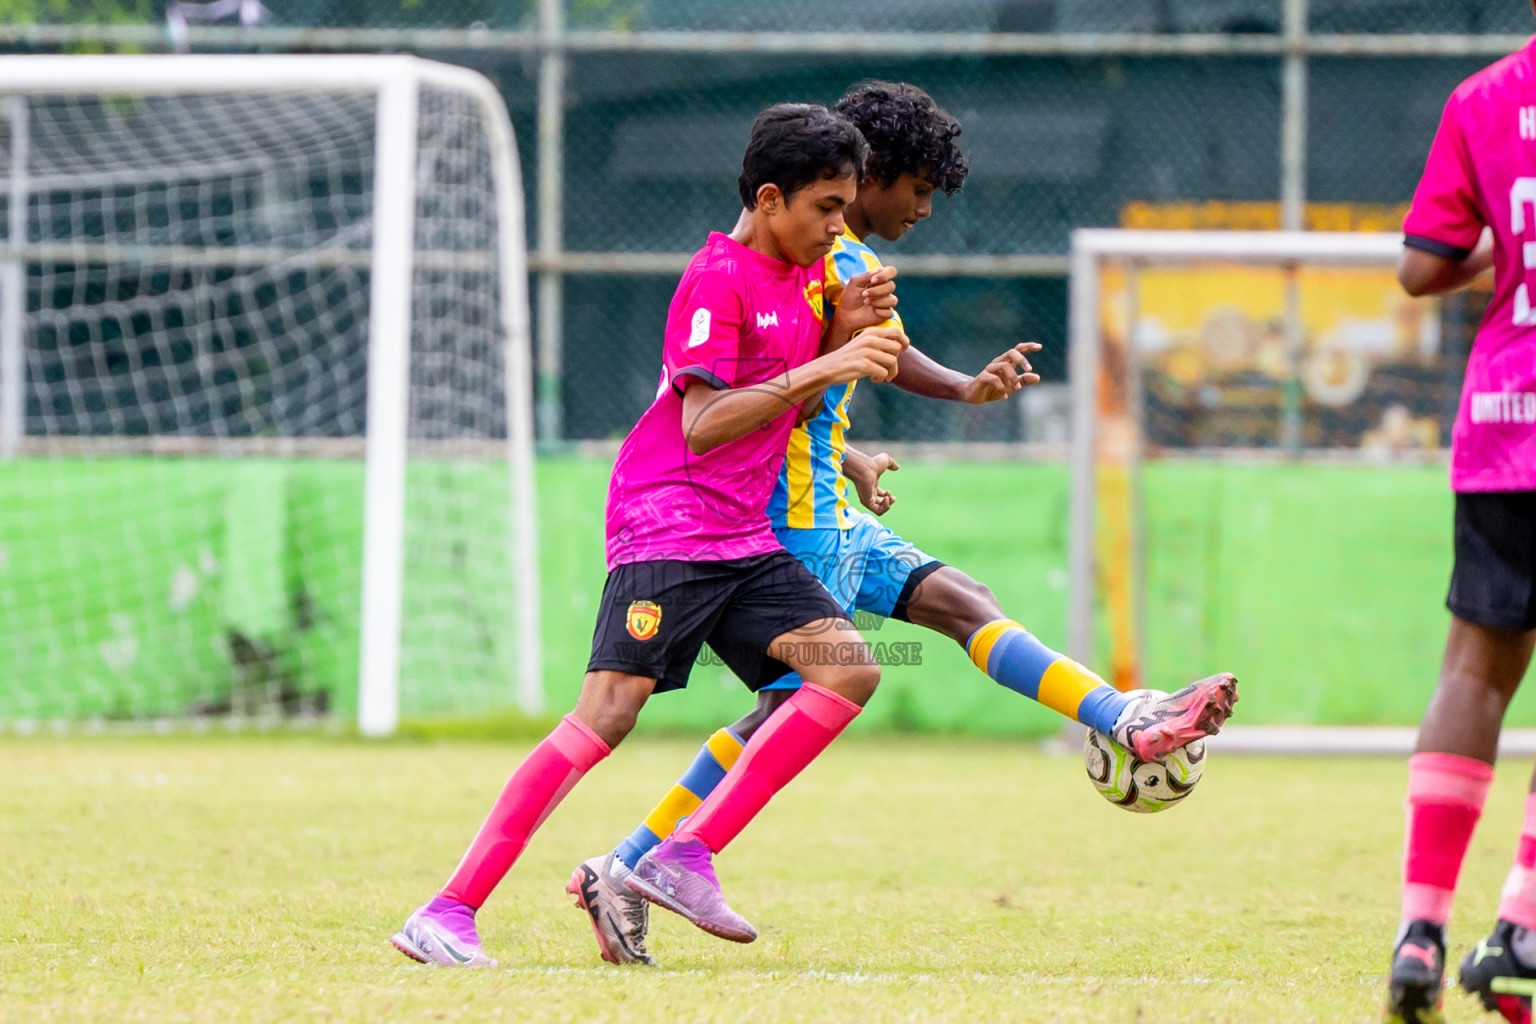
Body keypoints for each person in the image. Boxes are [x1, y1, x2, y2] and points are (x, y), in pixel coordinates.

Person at [569, 81, 1239, 968]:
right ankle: (629, 864)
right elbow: (787, 377)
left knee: (960, 601)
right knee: (787, 706)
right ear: (868, 174)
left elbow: (827, 378)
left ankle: (1123, 717)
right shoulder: (818, 255)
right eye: (917, 187)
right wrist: (942, 390)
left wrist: (864, 446)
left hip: (827, 503)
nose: (924, 208)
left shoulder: (833, 254)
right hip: (788, 519)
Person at [391, 101, 911, 967]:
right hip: (668, 521)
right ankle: (447, 910)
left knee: (848, 668)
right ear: (772, 197)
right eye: (825, 206)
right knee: (608, 714)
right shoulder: (716, 277)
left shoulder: (806, 278)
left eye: (844, 206)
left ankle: (683, 854)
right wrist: (828, 357)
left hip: (742, 535)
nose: (837, 225)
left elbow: (798, 403)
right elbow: (705, 424)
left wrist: (839, 332)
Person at [1381, 23, 1536, 1024]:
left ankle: (1420, 929)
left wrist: (1501, 249)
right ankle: (1520, 928)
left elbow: (1421, 265)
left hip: (1505, 420)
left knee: (1474, 668)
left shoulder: (1485, 95)